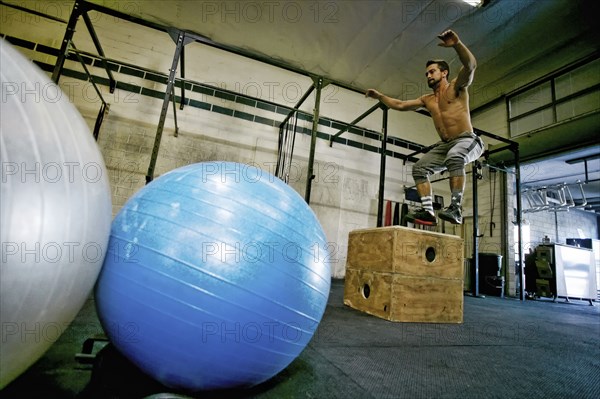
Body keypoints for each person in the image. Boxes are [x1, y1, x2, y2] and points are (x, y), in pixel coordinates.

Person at [366, 30, 484, 226]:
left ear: (444, 72)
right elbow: (400, 105)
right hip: (445, 145)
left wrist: (457, 44)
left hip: (467, 140)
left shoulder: (456, 87)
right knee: (420, 168)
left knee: (455, 157)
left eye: (432, 71)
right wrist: (380, 96)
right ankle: (428, 212)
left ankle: (455, 208)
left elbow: (471, 65)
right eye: (427, 73)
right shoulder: (427, 99)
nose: (428, 75)